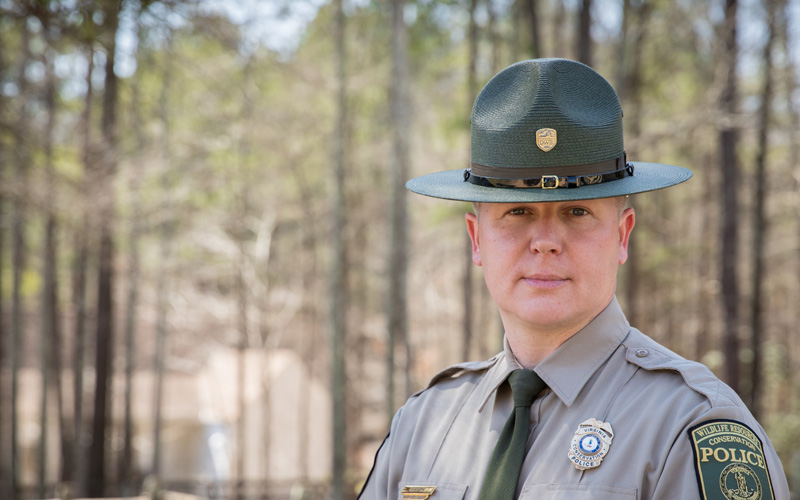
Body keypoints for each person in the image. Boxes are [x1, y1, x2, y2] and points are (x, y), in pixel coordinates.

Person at [358, 58, 790, 500]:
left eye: (577, 212)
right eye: (517, 211)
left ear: (621, 236)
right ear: (476, 240)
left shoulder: (690, 425)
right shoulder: (423, 425)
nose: (545, 242)